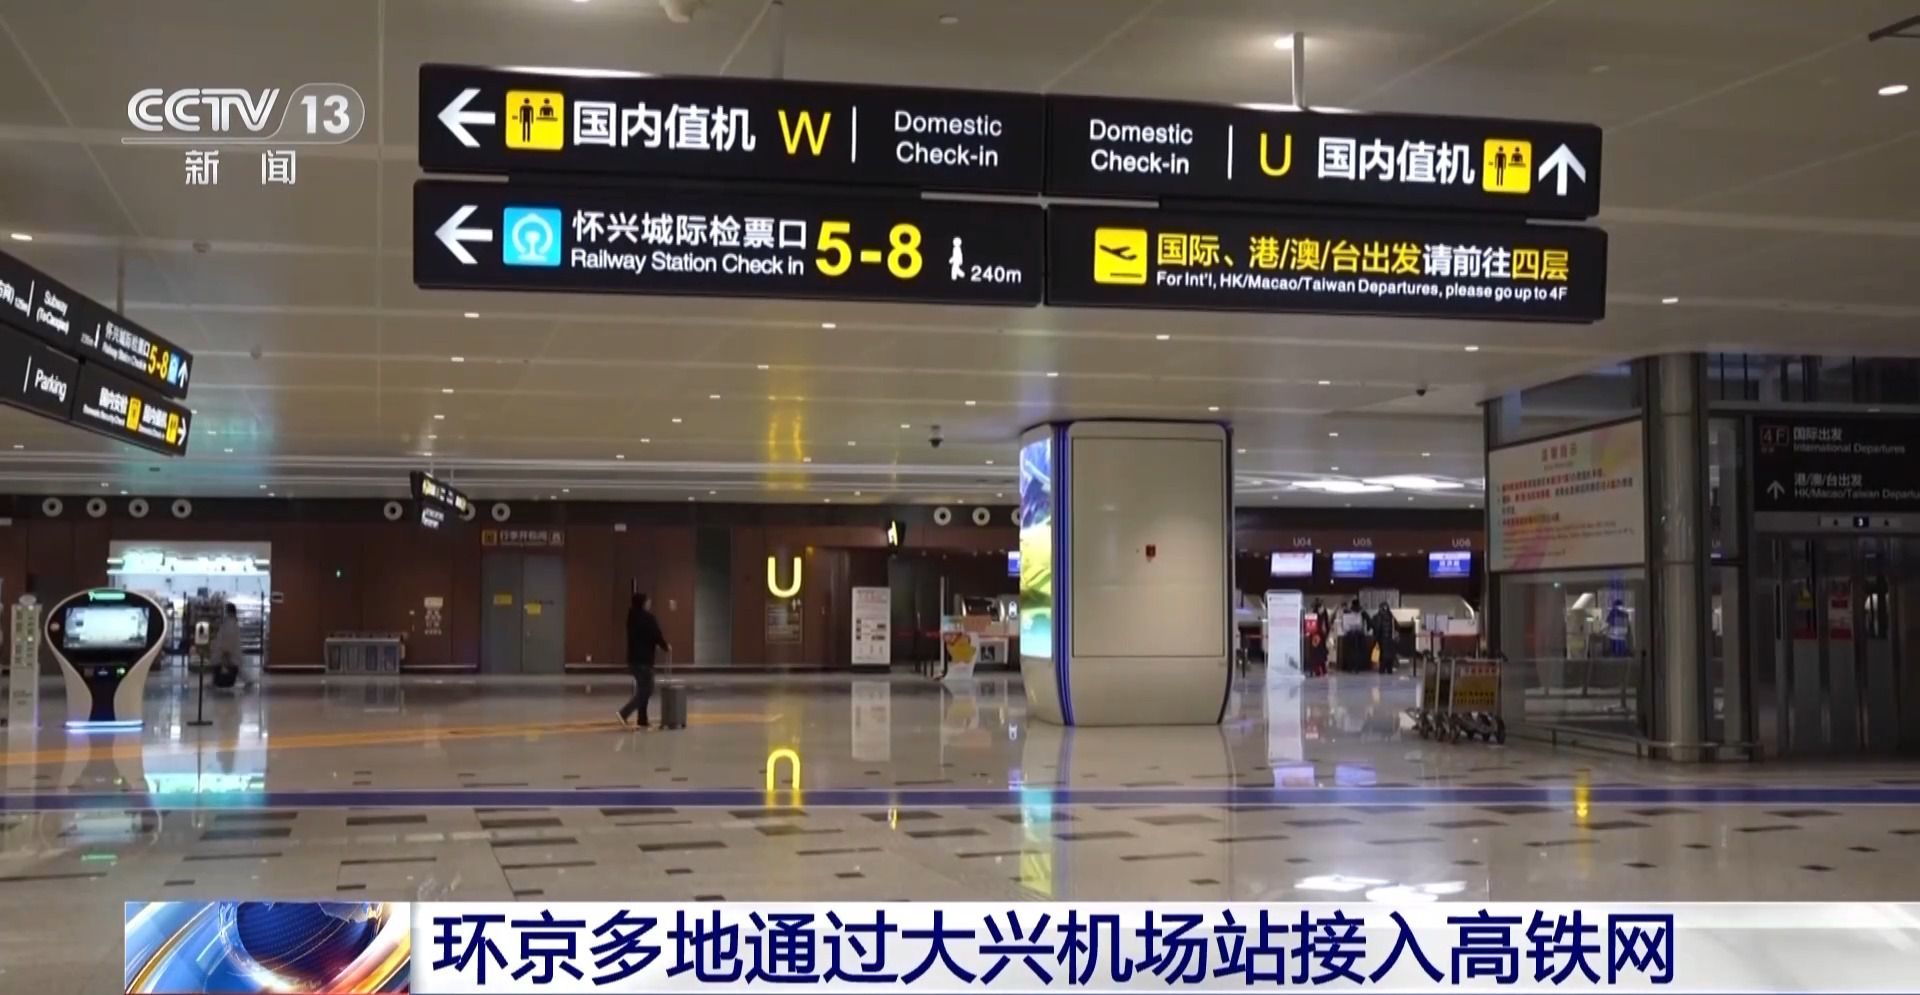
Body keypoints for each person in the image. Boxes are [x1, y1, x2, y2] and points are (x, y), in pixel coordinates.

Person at [619, 592, 671, 728]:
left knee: (642, 689)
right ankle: (624, 713)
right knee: (647, 690)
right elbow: (656, 634)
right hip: (644, 660)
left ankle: (642, 719)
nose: (649, 603)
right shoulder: (648, 618)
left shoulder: (631, 617)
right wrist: (665, 646)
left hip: (633, 660)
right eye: (647, 601)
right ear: (643, 603)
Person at [212, 602, 243, 690]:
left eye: (225, 610)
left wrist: (225, 653)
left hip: (226, 655)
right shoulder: (232, 623)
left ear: (228, 611)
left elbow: (228, 640)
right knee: (236, 670)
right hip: (230, 655)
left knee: (225, 674)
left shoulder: (229, 623)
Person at [1373, 601, 1398, 675]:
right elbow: (1396, 627)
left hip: (1382, 638)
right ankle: (1389, 669)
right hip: (1390, 638)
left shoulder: (1378, 616)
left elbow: (1377, 628)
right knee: (1390, 654)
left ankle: (1382, 669)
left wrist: (1376, 639)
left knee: (1383, 654)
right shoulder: (1391, 616)